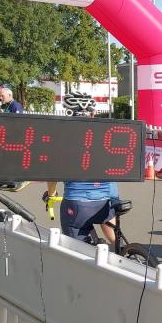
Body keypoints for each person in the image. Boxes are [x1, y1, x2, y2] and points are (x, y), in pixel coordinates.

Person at [45, 93, 117, 244]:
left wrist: (51, 194)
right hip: (107, 199)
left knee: (79, 250)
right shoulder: (105, 136)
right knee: (116, 241)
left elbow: (53, 175)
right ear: (92, 112)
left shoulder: (63, 140)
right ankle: (126, 251)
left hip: (77, 203)